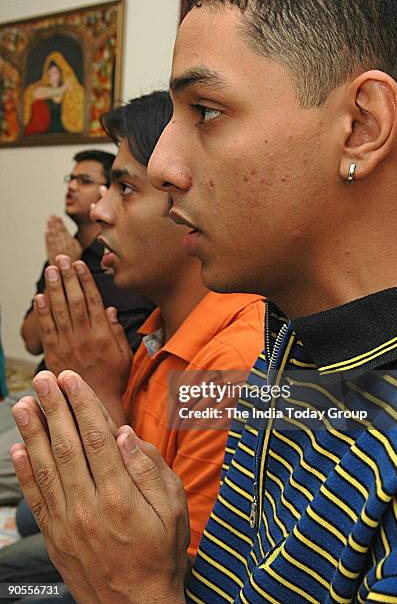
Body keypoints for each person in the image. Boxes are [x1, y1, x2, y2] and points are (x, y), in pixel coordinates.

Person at [9, 0, 397, 602]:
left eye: (205, 110)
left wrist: (134, 590)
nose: (167, 166)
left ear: (361, 126)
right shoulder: (287, 346)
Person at [0, 91, 264, 585]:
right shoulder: (159, 328)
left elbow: (171, 572)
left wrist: (96, 394)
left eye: (122, 188)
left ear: (187, 202)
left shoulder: (230, 363)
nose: (99, 212)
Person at [0, 149, 154, 506]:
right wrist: (58, 270)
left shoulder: (121, 265)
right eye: (70, 179)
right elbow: (31, 340)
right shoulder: (63, 252)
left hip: (76, 403)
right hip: (37, 387)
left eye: (84, 181)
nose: (71, 187)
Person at [23, 52, 84, 136]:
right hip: (43, 136)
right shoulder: (40, 89)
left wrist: (65, 88)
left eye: (55, 72)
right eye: (50, 73)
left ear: (60, 74)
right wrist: (62, 89)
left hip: (66, 135)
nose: (52, 75)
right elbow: (36, 93)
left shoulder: (70, 93)